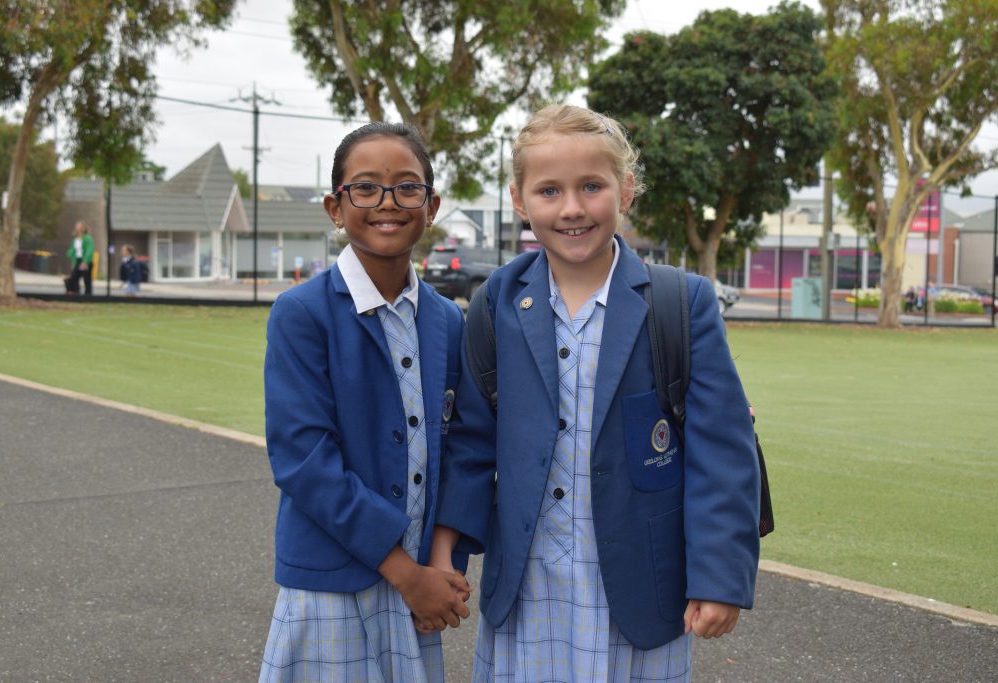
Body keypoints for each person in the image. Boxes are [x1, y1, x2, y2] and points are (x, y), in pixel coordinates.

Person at [430, 104, 761, 681]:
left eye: (592, 186)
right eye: (550, 190)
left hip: (641, 596)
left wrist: (721, 577)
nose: (573, 208)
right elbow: (471, 447)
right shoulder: (495, 304)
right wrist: (443, 557)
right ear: (519, 199)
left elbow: (721, 450)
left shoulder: (681, 303)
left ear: (625, 189)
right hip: (526, 597)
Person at [258, 122, 472, 683]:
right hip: (334, 584)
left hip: (417, 588)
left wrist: (440, 564)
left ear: (432, 205)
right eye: (365, 187)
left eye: (407, 187)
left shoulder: (449, 320)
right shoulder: (302, 313)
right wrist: (406, 573)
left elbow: (461, 447)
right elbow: (304, 462)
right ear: (335, 206)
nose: (387, 203)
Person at [65, 221, 95, 295]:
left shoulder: (87, 238)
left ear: (83, 228)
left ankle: (88, 294)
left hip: (85, 260)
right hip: (77, 260)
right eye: (77, 227)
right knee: (74, 277)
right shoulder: (75, 239)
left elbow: (89, 249)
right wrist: (72, 260)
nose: (78, 228)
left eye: (80, 227)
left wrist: (85, 261)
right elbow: (73, 250)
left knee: (86, 278)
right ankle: (76, 292)